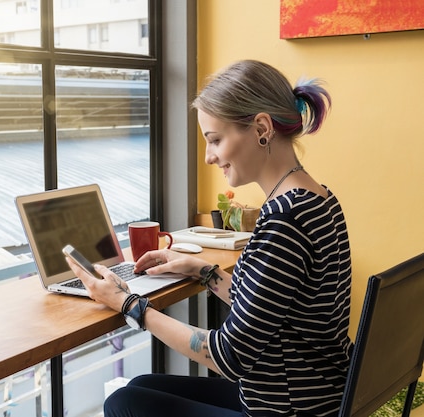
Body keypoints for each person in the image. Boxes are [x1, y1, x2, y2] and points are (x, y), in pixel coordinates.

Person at [65, 59, 353, 416]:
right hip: (318, 396)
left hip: (288, 409)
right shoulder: (317, 199)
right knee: (140, 387)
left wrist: (129, 305)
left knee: (125, 403)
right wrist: (204, 272)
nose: (208, 156)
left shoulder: (285, 221)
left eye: (215, 140)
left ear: (262, 128)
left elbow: (230, 356)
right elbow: (271, 310)